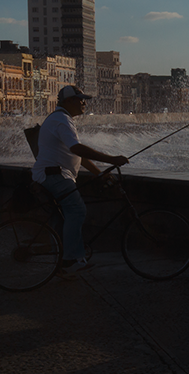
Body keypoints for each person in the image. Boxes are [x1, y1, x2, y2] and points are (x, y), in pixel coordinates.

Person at [27, 82, 123, 275]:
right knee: (77, 210)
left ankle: (62, 261)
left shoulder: (60, 118)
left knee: (61, 219)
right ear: (69, 101)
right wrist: (112, 159)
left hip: (49, 174)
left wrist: (100, 172)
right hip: (55, 175)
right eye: (81, 100)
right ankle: (71, 261)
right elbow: (77, 149)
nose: (84, 104)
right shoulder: (62, 120)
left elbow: (77, 155)